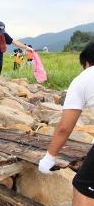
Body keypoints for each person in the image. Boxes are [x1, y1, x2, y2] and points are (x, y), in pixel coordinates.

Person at [38, 42, 94, 205]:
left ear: (86, 63)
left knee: (83, 186)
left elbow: (64, 127)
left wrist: (49, 158)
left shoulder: (84, 78)